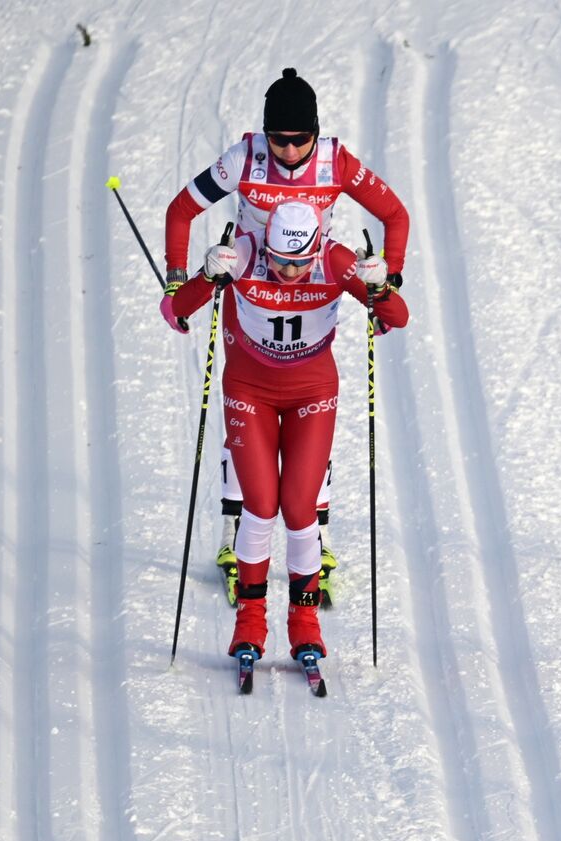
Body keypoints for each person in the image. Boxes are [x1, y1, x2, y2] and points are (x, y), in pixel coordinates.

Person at [160, 68, 410, 604]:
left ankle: (314, 535)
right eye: (281, 139)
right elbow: (181, 209)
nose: (291, 150)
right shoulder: (242, 158)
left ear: (316, 133)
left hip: (312, 285)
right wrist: (180, 278)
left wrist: (388, 279)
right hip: (248, 283)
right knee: (246, 411)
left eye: (302, 139)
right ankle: (235, 535)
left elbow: (394, 214)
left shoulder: (336, 162)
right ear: (265, 134)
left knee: (306, 416)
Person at [166, 200, 409, 668]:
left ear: (315, 248)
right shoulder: (244, 251)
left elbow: (397, 318)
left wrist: (379, 288)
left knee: (300, 509)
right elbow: (177, 308)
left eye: (299, 262)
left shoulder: (336, 261)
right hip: (249, 391)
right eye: (279, 261)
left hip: (312, 393)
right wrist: (207, 275)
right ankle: (250, 625)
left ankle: (305, 626)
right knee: (259, 506)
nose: (289, 271)